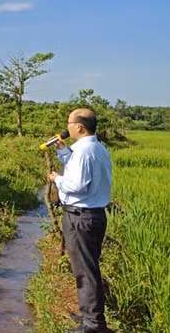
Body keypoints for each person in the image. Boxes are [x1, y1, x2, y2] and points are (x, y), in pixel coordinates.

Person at [48, 109, 113, 333]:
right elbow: (82, 172)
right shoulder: (96, 148)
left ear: (80, 127)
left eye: (69, 123)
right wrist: (63, 153)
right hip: (93, 215)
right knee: (89, 267)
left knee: (85, 271)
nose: (67, 127)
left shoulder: (84, 151)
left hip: (81, 217)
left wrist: (57, 179)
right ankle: (90, 318)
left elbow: (77, 185)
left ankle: (94, 325)